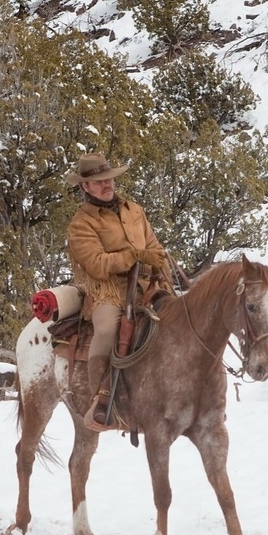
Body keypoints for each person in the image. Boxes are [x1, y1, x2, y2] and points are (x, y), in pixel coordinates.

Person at [64, 151, 173, 429]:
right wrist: (135, 255)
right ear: (84, 186)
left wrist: (156, 259)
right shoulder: (81, 224)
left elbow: (154, 246)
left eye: (108, 179)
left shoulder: (134, 210)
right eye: (99, 181)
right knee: (107, 328)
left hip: (147, 283)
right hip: (108, 289)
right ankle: (101, 398)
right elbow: (97, 264)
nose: (106, 184)